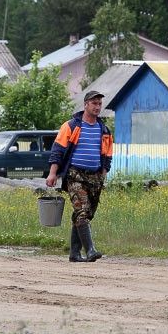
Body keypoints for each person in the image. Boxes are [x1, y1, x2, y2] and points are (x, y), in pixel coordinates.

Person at [46, 90, 113, 262]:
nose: (97, 107)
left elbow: (107, 155)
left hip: (95, 177)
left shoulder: (103, 129)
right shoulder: (71, 126)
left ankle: (75, 254)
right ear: (85, 105)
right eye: (94, 103)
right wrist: (53, 173)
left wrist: (103, 173)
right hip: (74, 174)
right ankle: (90, 250)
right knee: (81, 212)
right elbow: (58, 151)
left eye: (99, 104)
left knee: (86, 214)